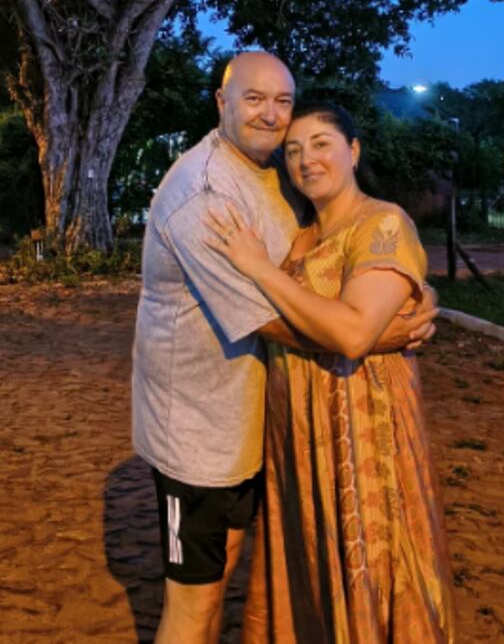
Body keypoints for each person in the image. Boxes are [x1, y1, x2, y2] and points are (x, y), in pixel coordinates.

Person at [131, 53, 435, 644]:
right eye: (253, 99)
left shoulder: (274, 175)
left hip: (264, 426)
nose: (272, 118)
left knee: (224, 581)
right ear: (221, 103)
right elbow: (270, 316)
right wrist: (381, 331)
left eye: (283, 102)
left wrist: (414, 294)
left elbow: (352, 249)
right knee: (194, 603)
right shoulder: (204, 196)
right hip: (199, 434)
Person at [205, 101, 455, 642]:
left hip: (365, 433)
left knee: (369, 562)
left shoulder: (381, 222)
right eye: (293, 151)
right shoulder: (301, 238)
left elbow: (351, 334)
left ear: (354, 151)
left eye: (321, 144)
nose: (306, 160)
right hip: (299, 434)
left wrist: (257, 269)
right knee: (312, 563)